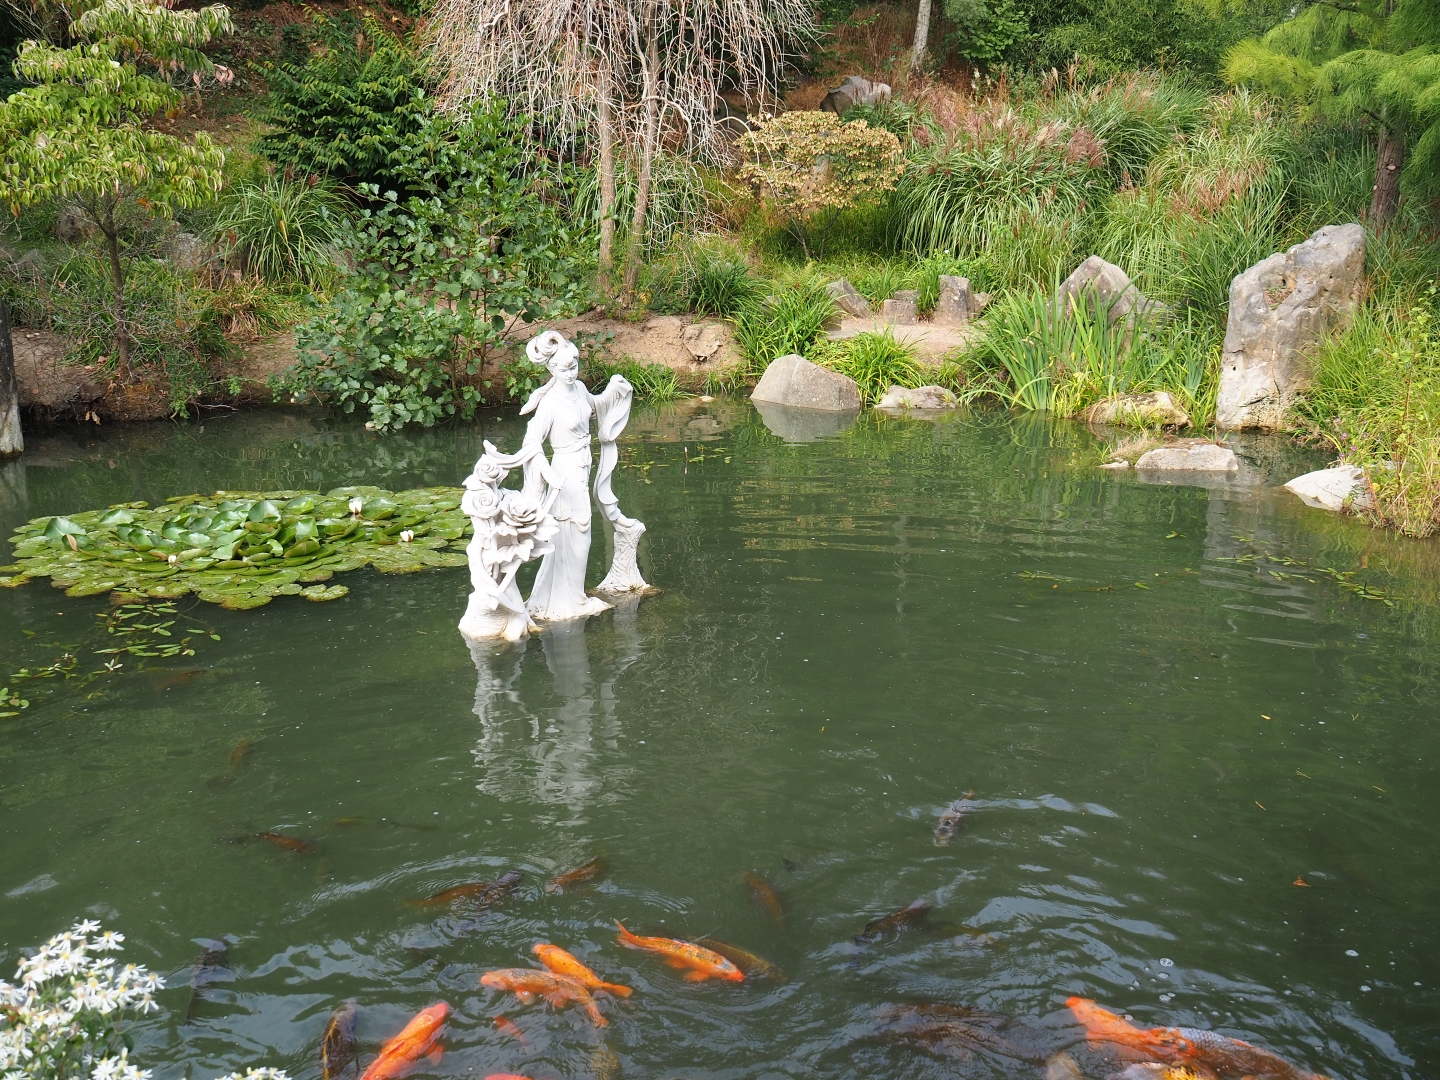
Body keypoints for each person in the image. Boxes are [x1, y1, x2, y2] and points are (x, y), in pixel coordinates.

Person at [518, 331, 633, 621]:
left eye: (574, 367)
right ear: (550, 369)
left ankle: (568, 596)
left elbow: (593, 407)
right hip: (564, 473)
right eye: (563, 369)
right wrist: (545, 471)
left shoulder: (580, 388)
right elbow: (532, 442)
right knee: (577, 533)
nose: (570, 374)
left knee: (577, 534)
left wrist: (614, 391)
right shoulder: (549, 403)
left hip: (582, 466)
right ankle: (573, 600)